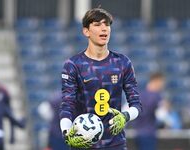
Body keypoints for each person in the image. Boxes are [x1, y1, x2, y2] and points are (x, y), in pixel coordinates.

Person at [59, 8, 142, 150]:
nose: (104, 28)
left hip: (116, 144)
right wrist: (66, 132)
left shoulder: (122, 62)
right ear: (86, 31)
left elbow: (136, 104)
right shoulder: (73, 64)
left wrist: (125, 116)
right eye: (97, 24)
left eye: (107, 24)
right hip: (83, 143)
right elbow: (67, 105)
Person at [130, 72, 165, 150]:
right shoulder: (157, 96)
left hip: (138, 133)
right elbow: (162, 115)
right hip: (149, 133)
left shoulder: (139, 95)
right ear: (157, 81)